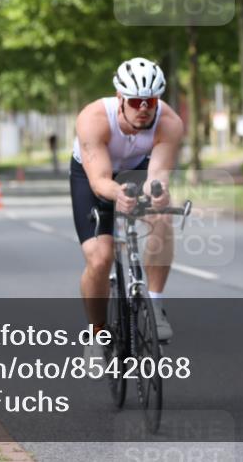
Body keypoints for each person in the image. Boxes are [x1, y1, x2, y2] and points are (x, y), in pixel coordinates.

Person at [70, 57, 184, 358]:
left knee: (161, 214)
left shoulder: (169, 123)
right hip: (93, 175)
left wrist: (156, 193)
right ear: (120, 98)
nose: (143, 108)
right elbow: (99, 181)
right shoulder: (93, 118)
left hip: (136, 168)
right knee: (100, 258)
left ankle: (156, 305)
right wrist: (118, 194)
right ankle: (96, 333)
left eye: (150, 101)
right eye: (135, 101)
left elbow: (156, 175)